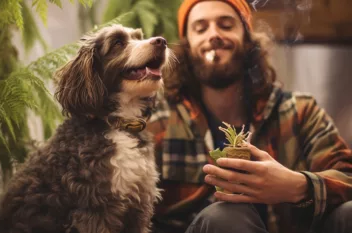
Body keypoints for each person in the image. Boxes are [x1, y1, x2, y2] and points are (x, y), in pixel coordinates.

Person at [146, 0, 352, 233]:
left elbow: (348, 176)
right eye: (200, 28)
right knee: (227, 215)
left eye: (226, 25)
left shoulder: (299, 112)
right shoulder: (159, 120)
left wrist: (297, 187)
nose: (213, 35)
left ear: (247, 41)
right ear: (187, 45)